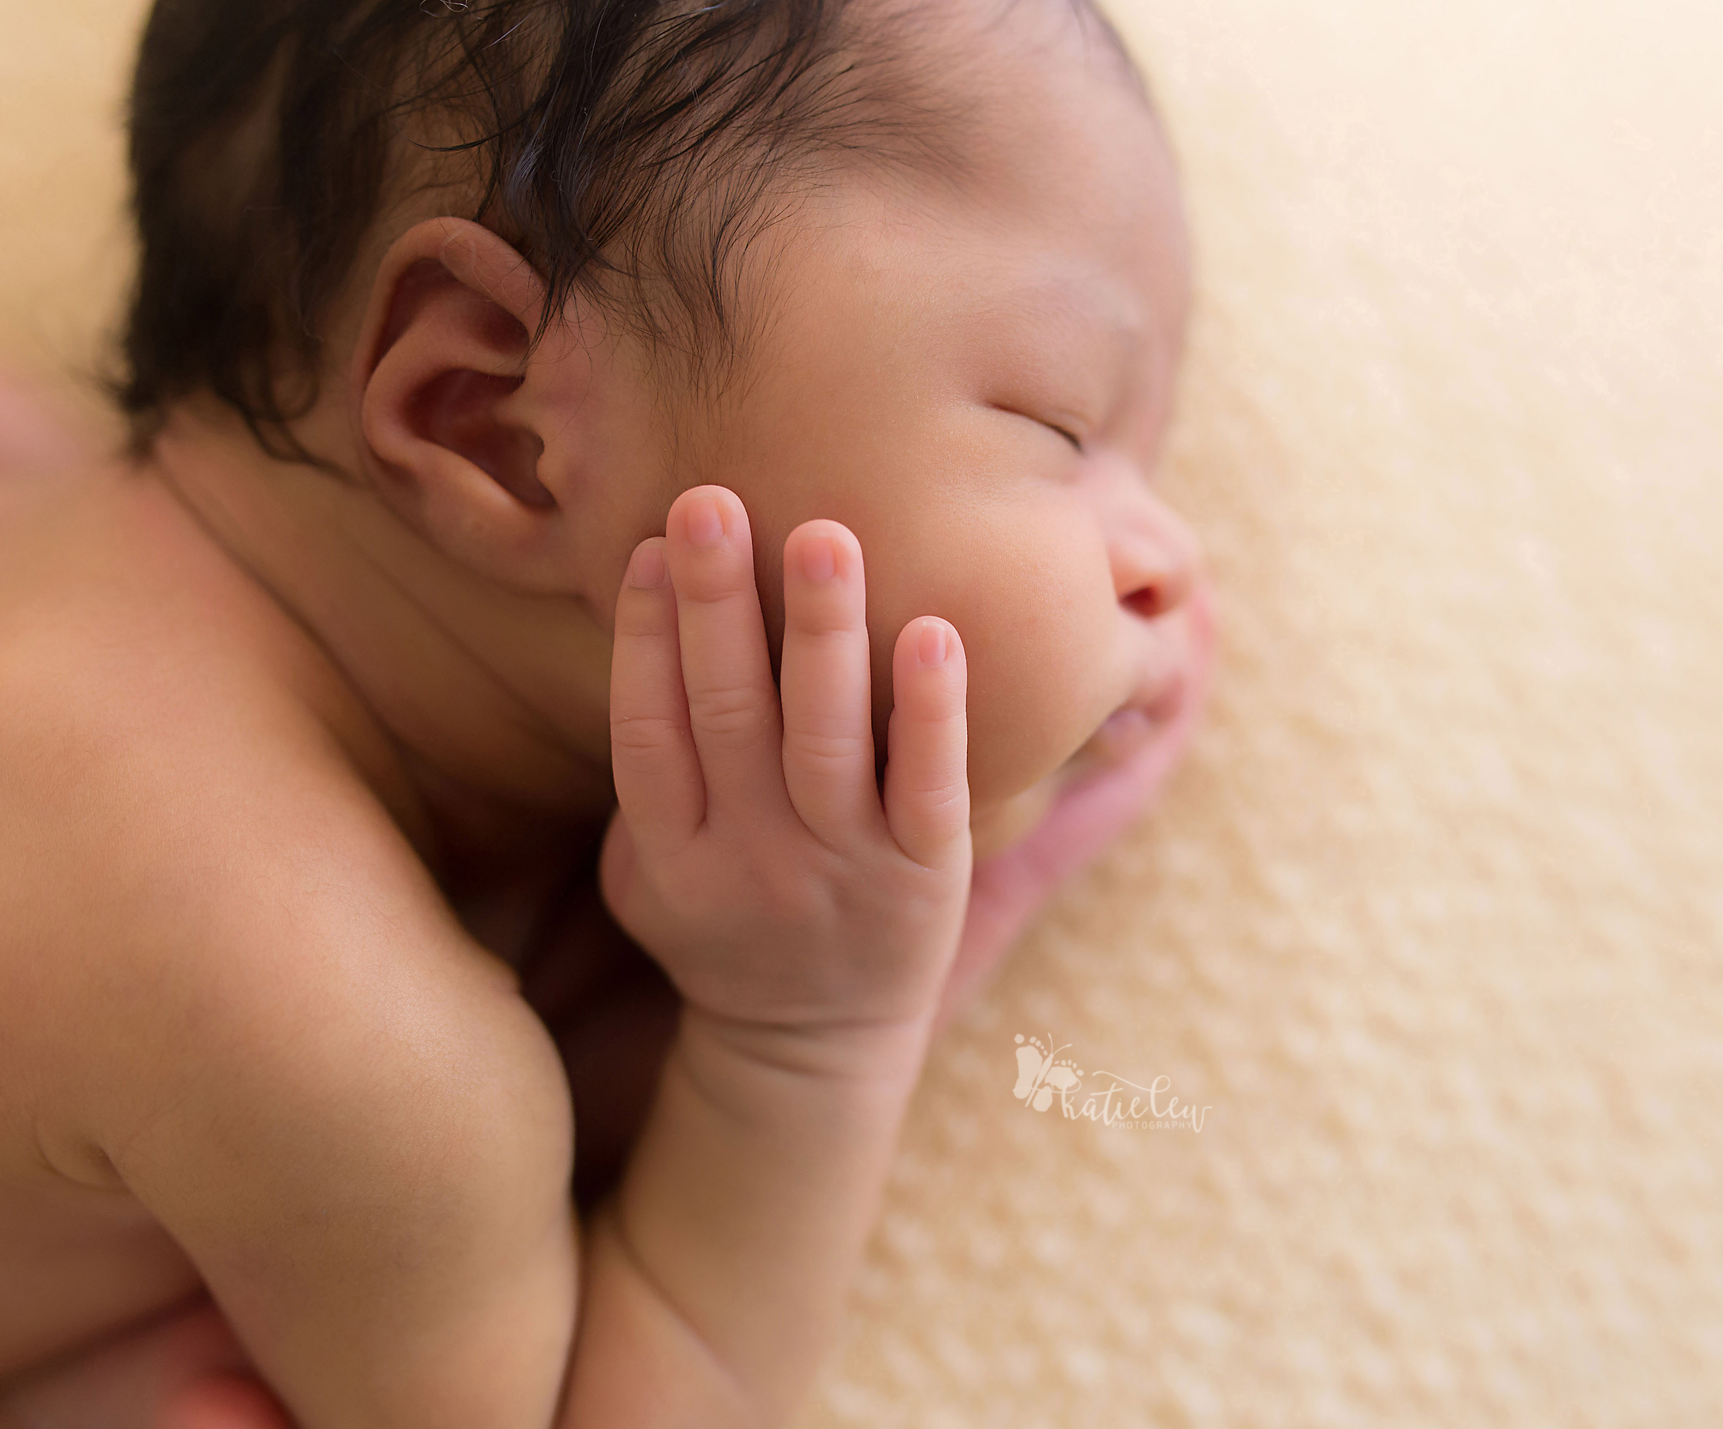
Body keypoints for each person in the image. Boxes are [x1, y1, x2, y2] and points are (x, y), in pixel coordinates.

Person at [0, 0, 1213, 1423]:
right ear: (496, 423)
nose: (1172, 561)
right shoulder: (352, 1044)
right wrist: (805, 1044)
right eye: (1058, 426)